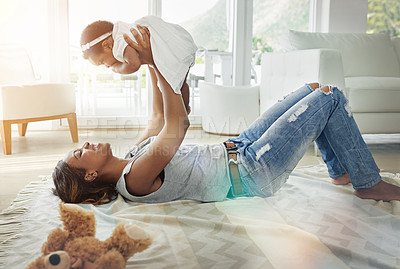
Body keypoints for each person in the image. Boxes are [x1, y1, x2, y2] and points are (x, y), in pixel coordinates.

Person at [52, 27, 400, 205]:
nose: (84, 144)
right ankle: (368, 183)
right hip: (252, 171)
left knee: (312, 89)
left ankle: (340, 171)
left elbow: (160, 115)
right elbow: (179, 124)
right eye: (80, 153)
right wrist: (157, 61)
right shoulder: (133, 181)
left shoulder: (131, 156)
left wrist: (149, 59)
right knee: (330, 98)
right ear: (92, 173)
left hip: (240, 147)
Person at [80, 15, 197, 114]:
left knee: (174, 86)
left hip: (173, 48)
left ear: (107, 45)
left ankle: (181, 115)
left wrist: (117, 69)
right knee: (180, 84)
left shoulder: (120, 42)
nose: (106, 66)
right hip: (180, 42)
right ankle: (184, 110)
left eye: (102, 62)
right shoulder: (123, 30)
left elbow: (134, 64)